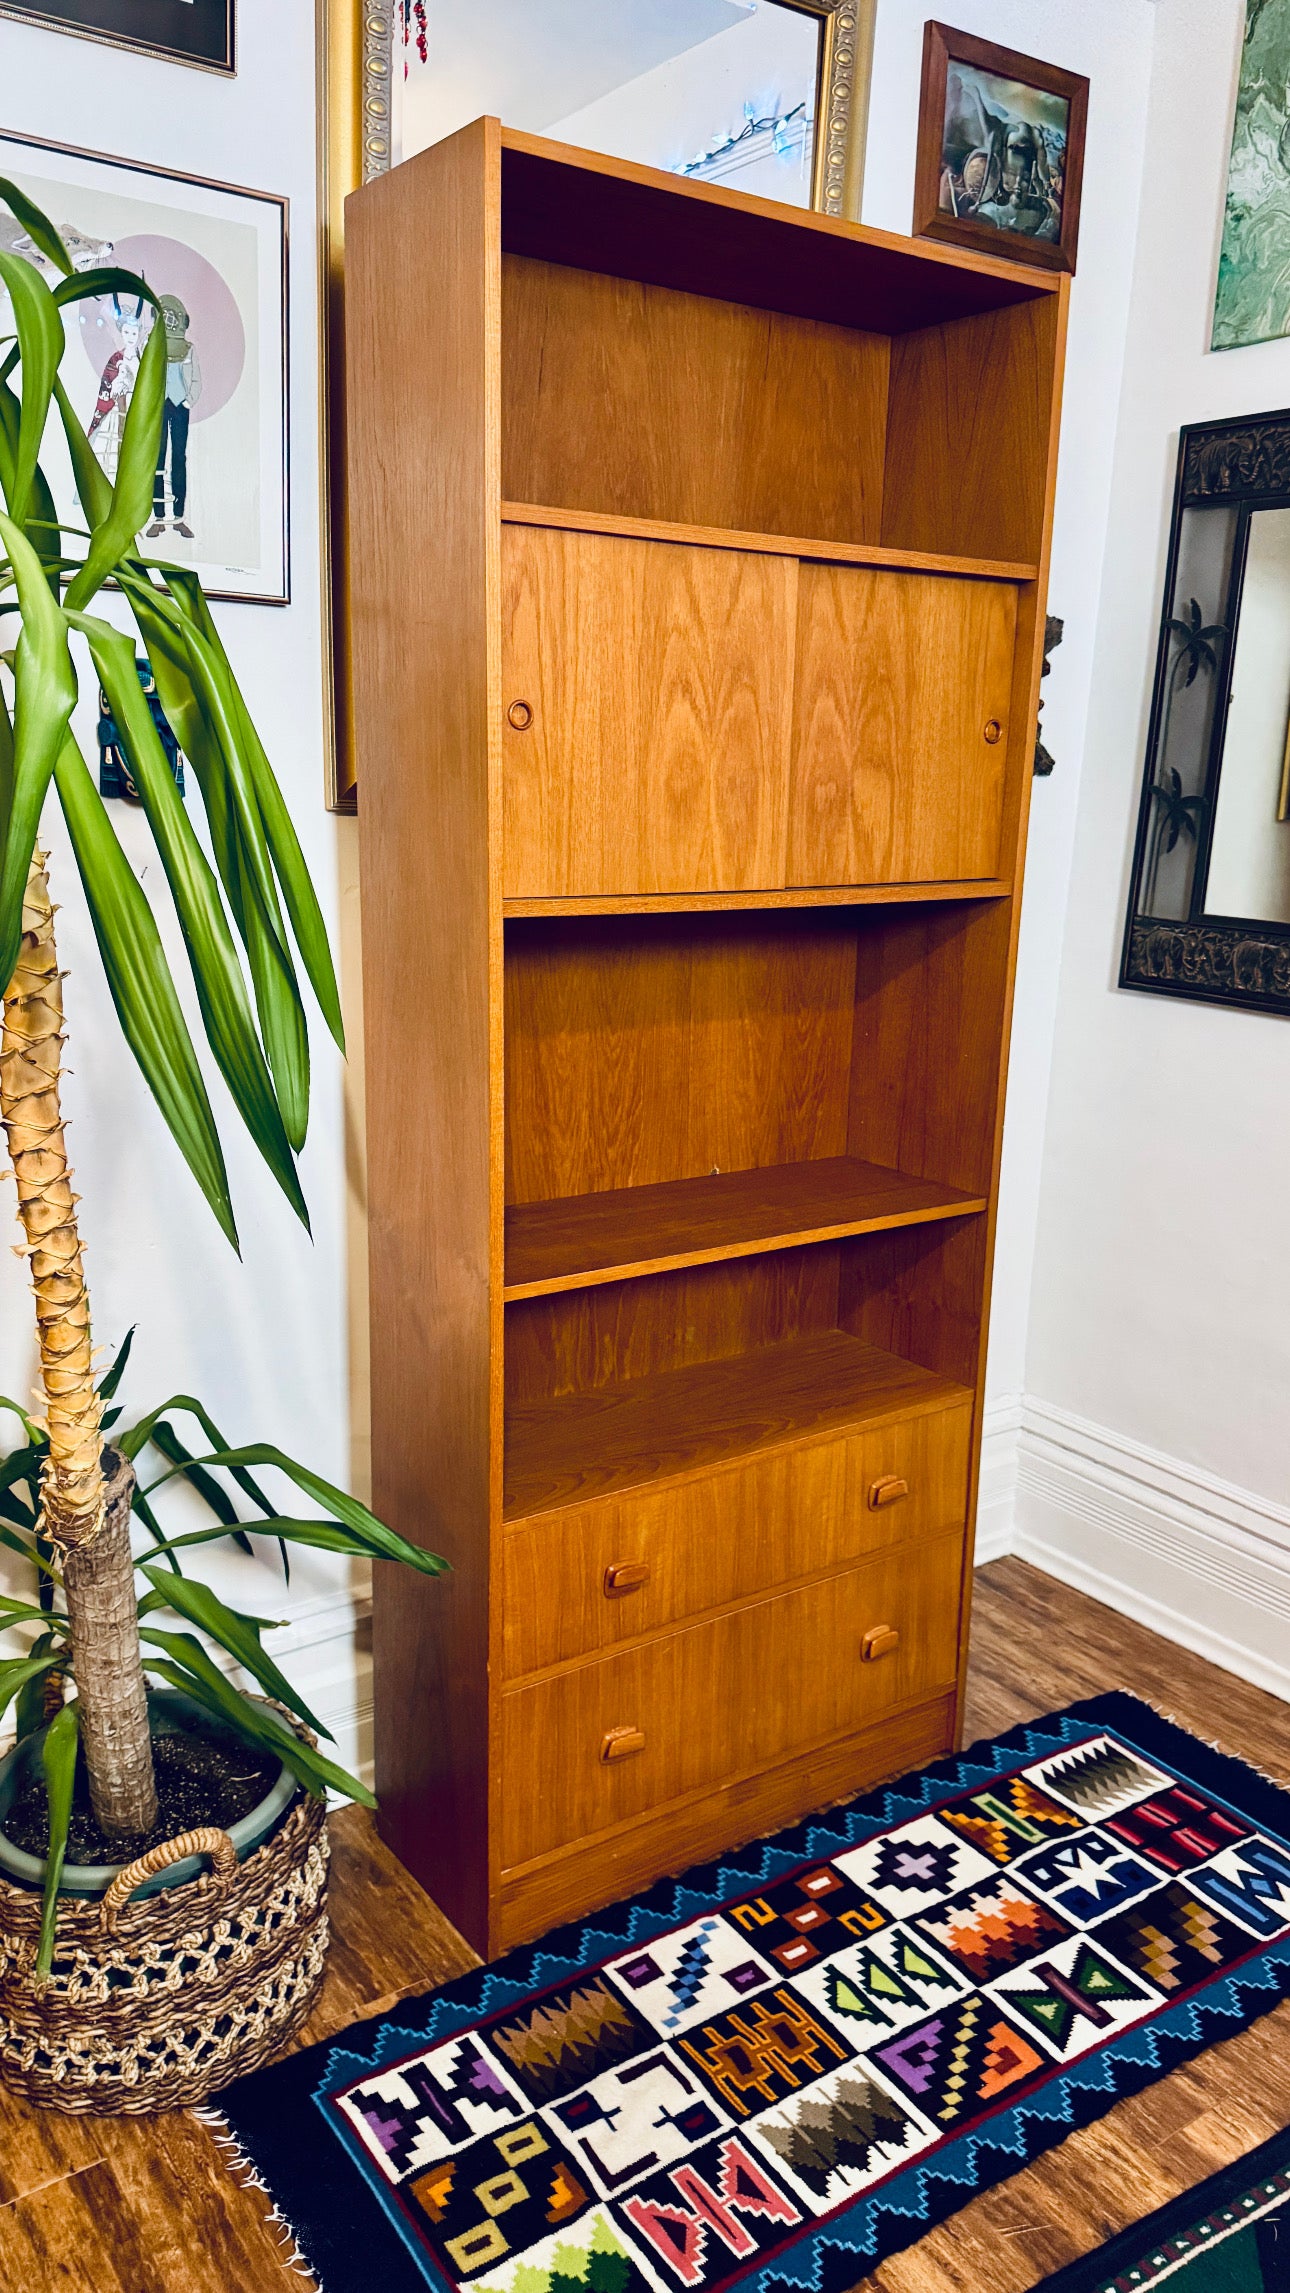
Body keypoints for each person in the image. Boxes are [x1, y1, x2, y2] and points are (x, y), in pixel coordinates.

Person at [147, 292, 202, 540]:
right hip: (159, 406)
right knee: (157, 459)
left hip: (180, 407)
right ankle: (158, 517)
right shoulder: (150, 347)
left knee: (178, 459)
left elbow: (196, 378)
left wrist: (189, 400)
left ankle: (178, 517)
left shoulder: (188, 350)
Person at [87, 295, 148, 484]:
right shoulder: (116, 359)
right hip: (118, 408)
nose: (130, 337)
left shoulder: (142, 359)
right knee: (114, 445)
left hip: (138, 407)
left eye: (133, 333)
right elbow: (109, 387)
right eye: (127, 333)